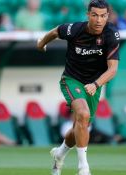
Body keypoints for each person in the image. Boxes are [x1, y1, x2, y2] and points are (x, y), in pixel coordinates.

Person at [36, 1, 120, 175]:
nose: (99, 20)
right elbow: (55, 31)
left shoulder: (111, 34)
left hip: (94, 84)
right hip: (72, 79)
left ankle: (59, 153)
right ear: (88, 15)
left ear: (107, 16)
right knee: (82, 114)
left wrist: (96, 84)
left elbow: (112, 69)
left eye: (103, 16)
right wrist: (41, 43)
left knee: (81, 126)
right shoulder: (74, 29)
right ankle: (83, 168)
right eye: (95, 15)